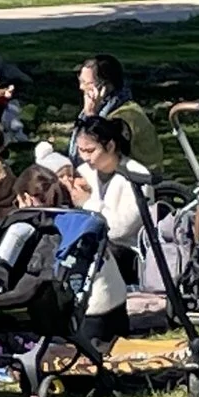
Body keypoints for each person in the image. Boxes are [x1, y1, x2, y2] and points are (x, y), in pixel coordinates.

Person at [60, 114, 147, 319]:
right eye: (81, 151)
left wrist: (88, 203)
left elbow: (120, 229)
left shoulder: (135, 176)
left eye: (90, 151)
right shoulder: (84, 172)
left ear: (109, 146)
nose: (85, 157)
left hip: (126, 252)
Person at [76, 53, 161, 173]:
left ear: (104, 87)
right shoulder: (109, 108)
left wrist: (90, 115)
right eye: (80, 81)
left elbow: (102, 157)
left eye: (87, 83)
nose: (81, 87)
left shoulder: (122, 117)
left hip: (136, 180)